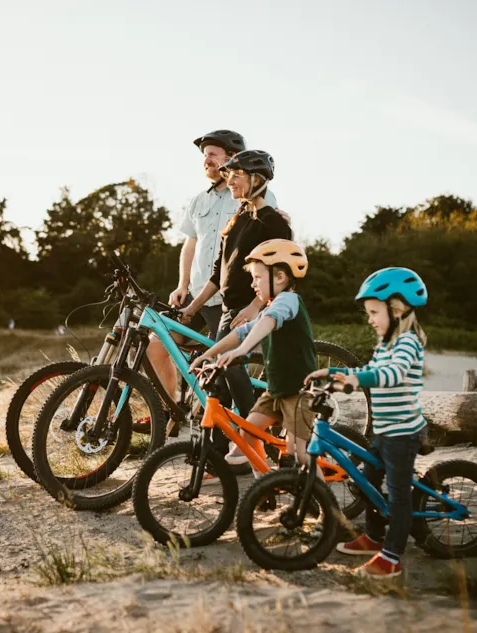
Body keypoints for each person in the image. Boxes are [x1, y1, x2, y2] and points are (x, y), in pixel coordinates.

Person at [303, 267, 430, 579]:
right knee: (367, 483)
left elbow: (391, 375)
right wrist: (331, 376)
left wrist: (355, 379)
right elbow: (369, 368)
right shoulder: (385, 344)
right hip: (384, 432)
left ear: (397, 310)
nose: (370, 319)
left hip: (402, 433)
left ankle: (392, 557)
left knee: (399, 495)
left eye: (375, 312)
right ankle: (374, 537)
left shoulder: (408, 343)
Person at [145, 131, 277, 404]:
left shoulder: (248, 196)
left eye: (212, 155)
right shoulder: (198, 201)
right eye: (205, 156)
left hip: (232, 298)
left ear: (231, 159)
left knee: (226, 362)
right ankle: (169, 408)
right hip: (199, 292)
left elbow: (271, 246)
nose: (206, 161)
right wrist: (182, 286)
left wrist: (256, 302)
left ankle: (243, 423)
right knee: (157, 343)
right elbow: (190, 245)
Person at [180, 150, 291, 452]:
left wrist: (256, 306)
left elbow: (283, 272)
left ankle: (256, 435)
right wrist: (193, 306)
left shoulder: (272, 222)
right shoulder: (237, 218)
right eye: (228, 175)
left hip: (252, 308)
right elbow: (218, 273)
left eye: (237, 175)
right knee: (218, 378)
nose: (230, 181)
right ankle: (217, 450)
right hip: (229, 307)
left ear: (257, 179)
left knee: (229, 366)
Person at [189, 239, 318, 475]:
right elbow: (241, 332)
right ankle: (264, 486)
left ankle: (326, 505)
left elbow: (267, 324)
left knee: (300, 453)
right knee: (247, 433)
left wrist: (241, 352)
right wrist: (208, 354)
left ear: (279, 277)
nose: (253, 284)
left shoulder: (287, 300)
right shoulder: (270, 306)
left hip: (298, 392)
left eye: (257, 277)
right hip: (276, 391)